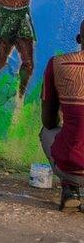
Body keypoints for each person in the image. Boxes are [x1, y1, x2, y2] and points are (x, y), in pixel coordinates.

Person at [41, 20, 84, 211]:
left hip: (74, 167)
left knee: (46, 132)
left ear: (79, 38)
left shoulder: (58, 64)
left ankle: (70, 189)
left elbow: (49, 121)